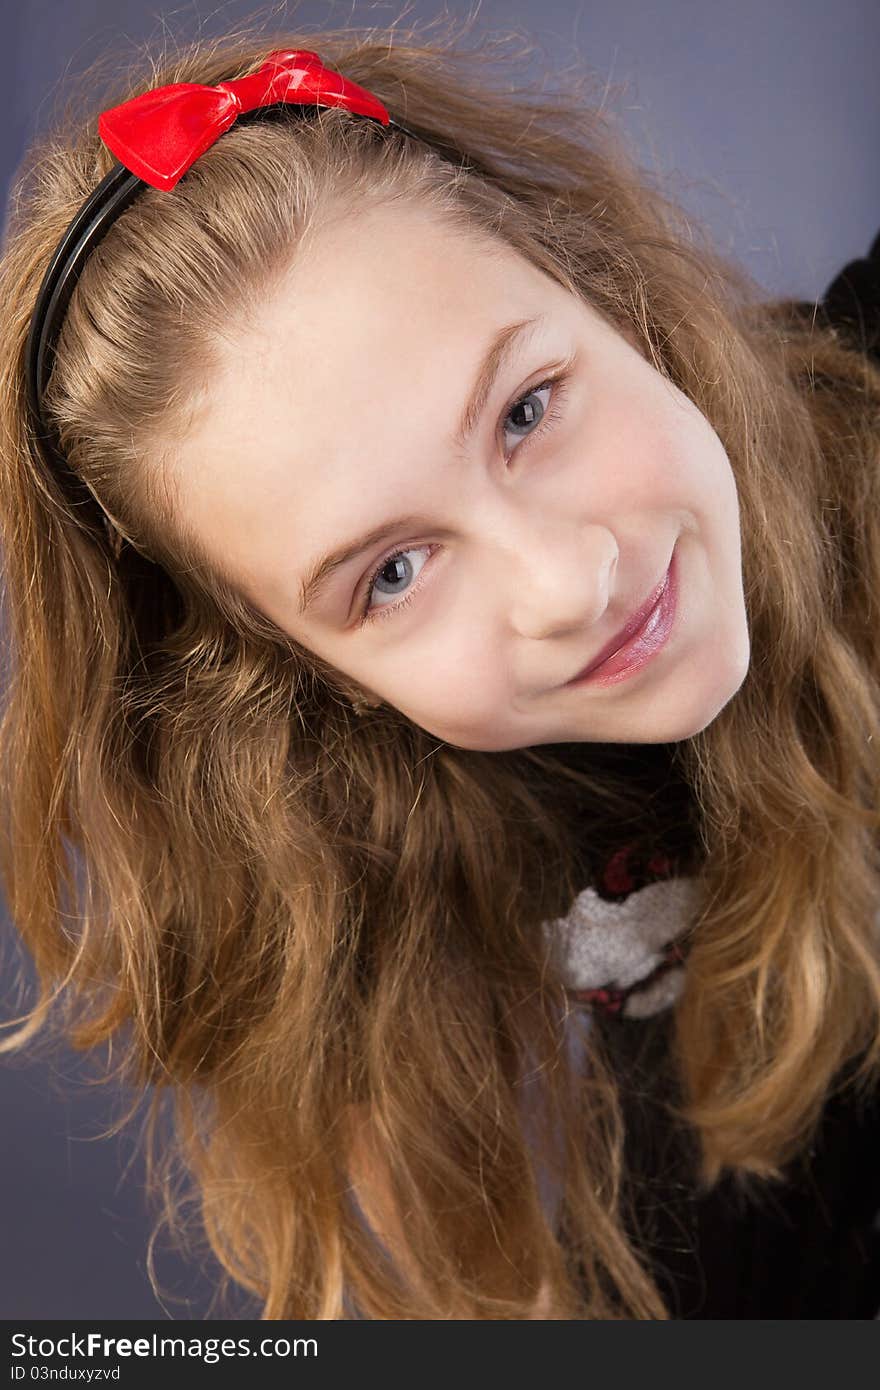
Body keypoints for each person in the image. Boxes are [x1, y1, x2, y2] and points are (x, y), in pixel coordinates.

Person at [1, 22, 879, 1321]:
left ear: (596, 283)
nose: (569, 585)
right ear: (311, 671)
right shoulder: (403, 880)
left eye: (527, 411)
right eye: (393, 575)